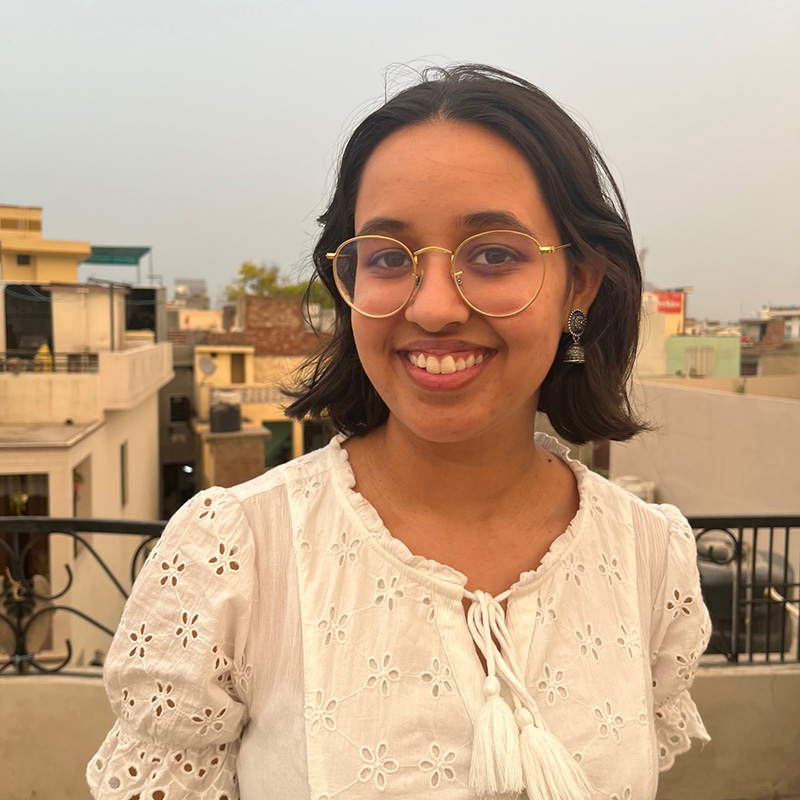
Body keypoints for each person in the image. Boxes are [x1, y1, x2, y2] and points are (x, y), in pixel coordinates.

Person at [88, 65, 710, 800]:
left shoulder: (649, 558)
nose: (436, 307)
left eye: (494, 254)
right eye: (388, 258)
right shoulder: (234, 560)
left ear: (580, 283)